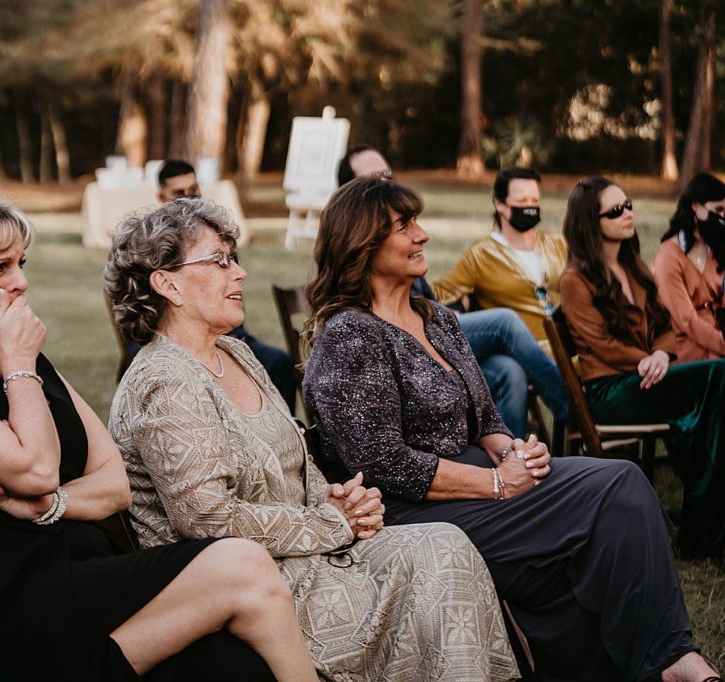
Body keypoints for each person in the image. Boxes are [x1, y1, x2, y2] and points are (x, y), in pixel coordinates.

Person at [0, 184, 319, 682]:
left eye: (22, 263)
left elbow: (114, 482)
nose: (19, 284)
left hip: (75, 581)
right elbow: (33, 468)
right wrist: (18, 365)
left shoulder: (18, 358)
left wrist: (52, 504)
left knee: (236, 667)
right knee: (243, 566)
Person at [302, 175, 721, 682]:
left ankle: (643, 662)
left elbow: (487, 420)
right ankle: (673, 661)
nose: (422, 234)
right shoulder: (350, 335)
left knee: (601, 517)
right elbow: (383, 463)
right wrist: (498, 483)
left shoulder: (436, 319)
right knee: (620, 487)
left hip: (478, 483)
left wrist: (514, 451)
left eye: (417, 220)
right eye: (404, 225)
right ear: (362, 244)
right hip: (411, 511)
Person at [104, 198, 520, 681]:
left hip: (310, 552)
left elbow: (298, 465)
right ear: (166, 282)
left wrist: (342, 498)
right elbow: (207, 521)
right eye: (219, 261)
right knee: (433, 562)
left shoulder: (236, 355)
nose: (239, 274)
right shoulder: (165, 381)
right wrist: (332, 524)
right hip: (253, 583)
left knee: (445, 543)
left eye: (234, 259)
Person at [336, 146, 568, 437]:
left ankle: (515, 459)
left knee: (509, 370)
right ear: (350, 191)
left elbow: (427, 296)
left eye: (388, 174)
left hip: (432, 324)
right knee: (504, 323)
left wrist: (447, 310)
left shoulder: (402, 236)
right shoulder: (354, 246)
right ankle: (575, 411)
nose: (387, 182)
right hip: (410, 337)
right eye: (374, 178)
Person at [561, 176, 725, 559]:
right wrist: (648, 359)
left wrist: (663, 354)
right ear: (590, 221)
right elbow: (599, 343)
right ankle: (704, 529)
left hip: (649, 377)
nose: (627, 213)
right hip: (612, 390)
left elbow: (665, 325)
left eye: (629, 204)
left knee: (711, 406)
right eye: (615, 210)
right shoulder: (575, 279)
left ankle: (704, 524)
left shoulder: (634, 265)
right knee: (718, 379)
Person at [140, 159, 296, 411]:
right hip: (175, 341)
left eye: (194, 190)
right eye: (179, 193)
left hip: (229, 335)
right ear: (160, 196)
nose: (189, 198)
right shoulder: (151, 248)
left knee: (277, 361)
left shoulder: (215, 238)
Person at [430, 167, 568, 345]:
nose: (530, 206)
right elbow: (436, 292)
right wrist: (458, 306)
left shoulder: (559, 244)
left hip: (570, 344)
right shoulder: (481, 256)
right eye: (522, 200)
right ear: (499, 204)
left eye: (535, 200)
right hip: (528, 350)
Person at [653, 172, 725, 361]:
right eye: (718, 210)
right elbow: (686, 320)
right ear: (695, 207)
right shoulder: (669, 257)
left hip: (716, 336)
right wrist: (722, 344)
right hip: (687, 345)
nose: (722, 217)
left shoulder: (715, 249)